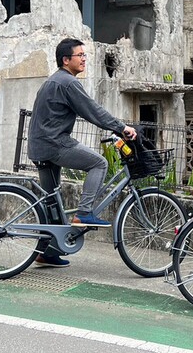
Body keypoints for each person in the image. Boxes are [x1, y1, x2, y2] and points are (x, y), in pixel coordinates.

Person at [28, 37, 136, 267]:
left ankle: (46, 252)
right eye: (80, 55)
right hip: (55, 144)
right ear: (66, 60)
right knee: (99, 163)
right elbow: (92, 111)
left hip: (39, 146)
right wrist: (121, 127)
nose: (84, 59)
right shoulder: (67, 82)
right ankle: (84, 213)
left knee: (52, 203)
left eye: (85, 55)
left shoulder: (53, 81)